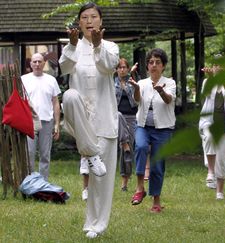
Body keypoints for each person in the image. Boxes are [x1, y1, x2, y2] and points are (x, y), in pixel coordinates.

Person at [59, 2, 119, 238]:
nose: (89, 21)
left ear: (100, 21)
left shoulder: (111, 47)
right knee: (69, 95)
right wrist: (73, 46)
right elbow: (64, 68)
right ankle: (90, 153)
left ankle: (96, 225)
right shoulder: (71, 46)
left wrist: (97, 47)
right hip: (81, 120)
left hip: (105, 120)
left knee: (100, 182)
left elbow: (108, 67)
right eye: (84, 17)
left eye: (94, 16)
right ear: (79, 22)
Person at [129, 48, 176, 213]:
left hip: (163, 129)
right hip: (142, 126)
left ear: (163, 66)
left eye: (157, 62)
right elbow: (137, 100)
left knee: (157, 165)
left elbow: (169, 100)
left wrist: (161, 91)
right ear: (147, 66)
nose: (154, 65)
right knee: (140, 147)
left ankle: (156, 201)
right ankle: (139, 188)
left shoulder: (170, 83)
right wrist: (135, 88)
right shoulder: (141, 83)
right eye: (151, 62)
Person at [21, 53, 61, 181]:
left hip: (46, 120)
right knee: (29, 153)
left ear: (44, 63)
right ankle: (30, 182)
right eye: (35, 62)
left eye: (39, 62)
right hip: (30, 121)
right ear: (30, 64)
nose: (37, 64)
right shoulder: (23, 79)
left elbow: (55, 103)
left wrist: (57, 124)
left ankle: (43, 183)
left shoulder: (51, 80)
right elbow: (20, 102)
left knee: (45, 154)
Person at [199, 63, 225, 200]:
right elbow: (205, 95)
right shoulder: (207, 81)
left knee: (223, 159)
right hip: (209, 122)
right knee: (209, 137)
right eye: (215, 65)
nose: (218, 68)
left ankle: (220, 190)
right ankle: (211, 172)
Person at [115, 58, 139, 191]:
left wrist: (134, 75)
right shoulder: (112, 83)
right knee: (125, 144)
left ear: (128, 69)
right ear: (116, 70)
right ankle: (123, 143)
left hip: (132, 118)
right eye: (120, 67)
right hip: (117, 118)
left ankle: (125, 182)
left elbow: (139, 95)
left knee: (128, 150)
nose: (122, 69)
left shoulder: (132, 82)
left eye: (124, 67)